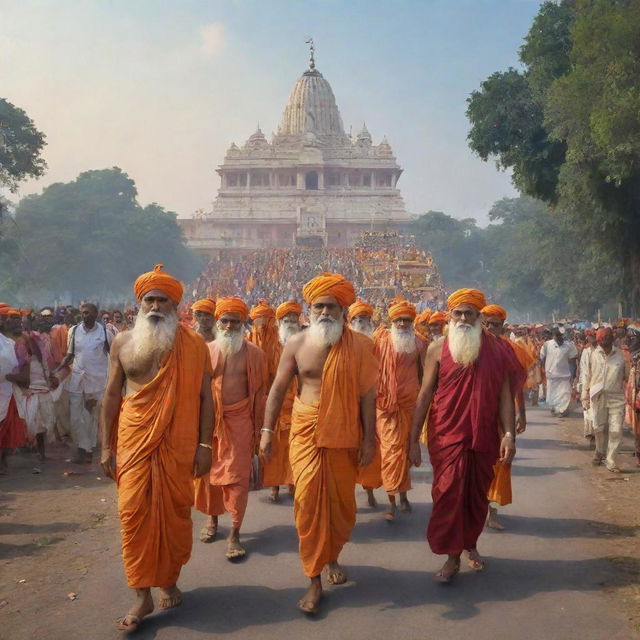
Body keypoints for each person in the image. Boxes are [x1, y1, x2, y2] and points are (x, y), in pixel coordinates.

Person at [99, 264, 214, 633]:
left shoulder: (194, 345)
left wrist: (204, 443)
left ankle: (168, 579)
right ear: (139, 302)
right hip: (133, 442)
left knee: (175, 515)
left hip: (178, 445)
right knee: (132, 513)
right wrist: (105, 447)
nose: (155, 306)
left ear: (176, 304)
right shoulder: (122, 343)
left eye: (163, 300)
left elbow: (204, 398)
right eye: (149, 299)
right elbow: (112, 395)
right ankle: (141, 595)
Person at [260, 273, 378, 615]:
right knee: (309, 501)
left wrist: (369, 439)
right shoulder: (296, 344)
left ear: (343, 309)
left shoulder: (360, 345)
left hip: (345, 433)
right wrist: (267, 431)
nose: (325, 312)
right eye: (318, 306)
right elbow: (278, 390)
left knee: (341, 505)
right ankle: (313, 578)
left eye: (331, 306)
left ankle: (332, 557)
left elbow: (367, 396)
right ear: (309, 310)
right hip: (307, 430)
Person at [409, 289, 518, 582]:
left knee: (476, 496)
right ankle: (452, 556)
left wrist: (509, 434)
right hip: (447, 436)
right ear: (449, 316)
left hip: (483, 436)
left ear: (480, 317)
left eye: (469, 313)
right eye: (457, 313)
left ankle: (470, 543)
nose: (463, 319)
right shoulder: (436, 348)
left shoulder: (498, 350)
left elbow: (506, 397)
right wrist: (411, 441)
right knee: (448, 493)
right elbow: (423, 396)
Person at [194, 297, 267, 559]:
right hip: (209, 424)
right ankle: (212, 521)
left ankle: (235, 534)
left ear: (242, 324)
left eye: (234, 321)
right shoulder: (205, 351)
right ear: (218, 322)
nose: (228, 326)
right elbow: (197, 393)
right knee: (208, 475)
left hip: (240, 424)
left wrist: (261, 431)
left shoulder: (255, 355)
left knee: (237, 480)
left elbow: (260, 394)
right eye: (224, 320)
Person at [373, 297, 426, 520]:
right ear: (391, 321)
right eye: (398, 320)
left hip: (410, 405)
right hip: (385, 406)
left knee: (405, 452)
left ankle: (403, 495)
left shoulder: (420, 343)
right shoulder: (379, 341)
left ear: (412, 322)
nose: (402, 324)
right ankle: (392, 501)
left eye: (406, 320)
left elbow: (426, 376)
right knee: (390, 453)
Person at [480, 304, 531, 531]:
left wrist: (522, 413)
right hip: (478, 414)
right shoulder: (472, 347)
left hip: (503, 415)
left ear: (503, 326)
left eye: (496, 324)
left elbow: (517, 385)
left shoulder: (510, 350)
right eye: (487, 323)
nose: (491, 328)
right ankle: (476, 510)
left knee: (501, 461)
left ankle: (491, 511)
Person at [52, 303, 113, 464]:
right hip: (78, 380)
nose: (84, 315)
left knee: (91, 416)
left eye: (87, 313)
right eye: (83, 313)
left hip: (97, 381)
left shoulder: (105, 333)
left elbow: (112, 356)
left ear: (95, 314)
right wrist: (56, 370)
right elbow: (70, 355)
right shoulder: (74, 331)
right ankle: (83, 446)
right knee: (75, 417)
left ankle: (86, 449)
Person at [262, 301, 302, 503]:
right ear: (279, 322)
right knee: (276, 450)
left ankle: (293, 483)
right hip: (278, 405)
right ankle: (275, 486)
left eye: (294, 320)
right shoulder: (271, 346)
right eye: (287, 320)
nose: (291, 323)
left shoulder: (305, 344)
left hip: (299, 404)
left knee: (296, 447)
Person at [348, 299, 382, 505]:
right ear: (351, 320)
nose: (362, 322)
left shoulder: (374, 343)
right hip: (346, 403)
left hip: (370, 402)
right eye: (358, 318)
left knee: (370, 448)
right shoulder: (341, 340)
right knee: (346, 453)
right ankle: (348, 495)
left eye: (365, 318)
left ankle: (369, 492)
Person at [581, 327, 628, 472]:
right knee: (599, 428)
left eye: (608, 337)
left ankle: (611, 460)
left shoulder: (621, 356)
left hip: (617, 398)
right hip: (597, 396)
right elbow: (586, 376)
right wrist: (584, 396)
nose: (605, 340)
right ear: (599, 340)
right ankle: (600, 450)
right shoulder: (591, 354)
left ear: (612, 338)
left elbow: (627, 377)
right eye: (602, 337)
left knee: (616, 430)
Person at [0, 308, 29, 475]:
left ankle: (2, 461)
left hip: (7, 390)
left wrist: (12, 376)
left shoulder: (11, 343)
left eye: (4, 318)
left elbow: (23, 365)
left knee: (7, 428)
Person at [540, 327, 578, 417]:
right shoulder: (547, 345)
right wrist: (543, 370)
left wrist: (574, 374)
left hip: (564, 376)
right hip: (551, 375)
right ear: (553, 335)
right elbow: (542, 357)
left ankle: (562, 411)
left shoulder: (569, 345)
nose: (559, 337)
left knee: (564, 394)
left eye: (560, 335)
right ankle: (555, 409)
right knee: (552, 395)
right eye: (557, 335)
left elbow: (573, 360)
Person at [247, 299, 280, 389]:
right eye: (258, 322)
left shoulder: (280, 344)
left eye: (265, 322)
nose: (261, 326)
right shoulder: (246, 341)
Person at [579, 330, 597, 445]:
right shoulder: (586, 351)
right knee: (588, 410)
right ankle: (591, 434)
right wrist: (585, 388)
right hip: (588, 384)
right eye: (589, 337)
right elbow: (584, 371)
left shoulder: (604, 352)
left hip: (599, 385)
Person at [625, 325, 640, 465]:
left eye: (633, 338)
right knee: (636, 431)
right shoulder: (633, 357)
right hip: (636, 400)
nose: (630, 342)